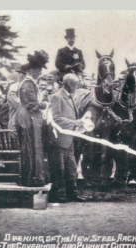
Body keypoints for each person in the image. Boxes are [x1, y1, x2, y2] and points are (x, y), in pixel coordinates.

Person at [48, 73, 86, 202]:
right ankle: (55, 195)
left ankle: (71, 193)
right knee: (59, 167)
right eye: (76, 84)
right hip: (59, 139)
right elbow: (56, 118)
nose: (78, 86)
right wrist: (74, 123)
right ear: (69, 84)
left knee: (71, 167)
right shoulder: (57, 97)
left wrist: (79, 122)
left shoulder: (69, 97)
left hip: (69, 138)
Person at [15, 50, 49, 187]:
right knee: (30, 146)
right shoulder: (27, 84)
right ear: (33, 70)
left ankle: (35, 176)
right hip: (28, 118)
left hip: (31, 117)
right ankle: (30, 178)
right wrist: (45, 104)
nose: (40, 72)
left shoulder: (30, 83)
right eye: (39, 70)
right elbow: (32, 104)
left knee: (34, 146)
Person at [7, 64, 28, 132]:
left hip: (25, 124)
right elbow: (19, 106)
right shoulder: (14, 88)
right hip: (15, 124)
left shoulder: (29, 87)